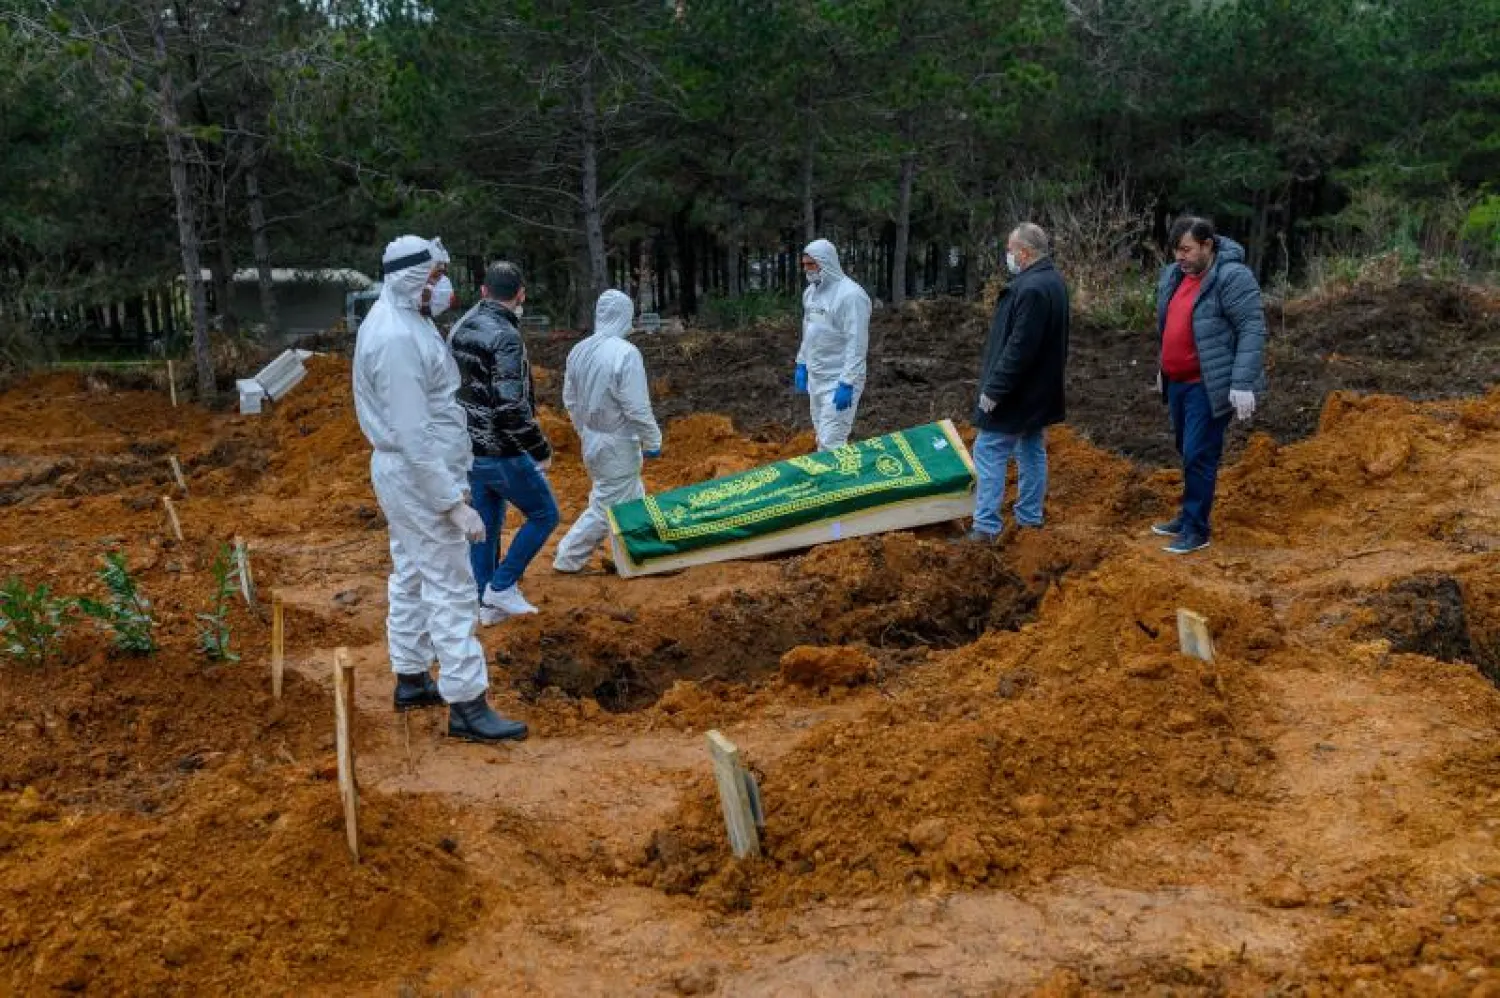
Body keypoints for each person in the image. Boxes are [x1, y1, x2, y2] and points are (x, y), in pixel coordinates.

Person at [352, 235, 527, 743]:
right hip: (418, 477)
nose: (443, 285)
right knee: (451, 584)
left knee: (410, 572)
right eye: (435, 275)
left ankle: (410, 677)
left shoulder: (406, 322)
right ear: (412, 278)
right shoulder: (396, 339)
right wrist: (451, 503)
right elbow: (413, 434)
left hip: (410, 474)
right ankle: (467, 703)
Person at [448, 262, 560, 621]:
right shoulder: (506, 337)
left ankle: (485, 602)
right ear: (521, 294)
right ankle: (502, 586)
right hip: (500, 449)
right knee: (545, 514)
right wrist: (539, 449)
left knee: (486, 527)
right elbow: (510, 406)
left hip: (469, 449)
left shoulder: (462, 327)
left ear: (483, 292)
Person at [1151, 216, 1267, 554]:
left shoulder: (1232, 277)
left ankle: (1196, 530)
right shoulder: (1174, 275)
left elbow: (1252, 328)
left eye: (1186, 250)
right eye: (1176, 251)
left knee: (1199, 454)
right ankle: (1188, 516)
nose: (1180, 257)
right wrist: (1164, 366)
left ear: (1207, 245)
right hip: (1177, 382)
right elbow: (1169, 324)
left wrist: (1242, 381)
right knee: (1186, 450)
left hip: (1209, 383)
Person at [968, 223, 1070, 542]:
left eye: (1010, 250)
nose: (1008, 257)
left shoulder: (1030, 289)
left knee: (989, 448)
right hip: (1040, 390)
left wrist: (995, 389)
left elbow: (1019, 347)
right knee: (1030, 448)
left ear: (1024, 253)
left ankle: (986, 527)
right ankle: (1029, 519)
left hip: (1017, 392)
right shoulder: (1053, 282)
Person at [553, 289, 663, 573]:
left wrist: (585, 431)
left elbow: (570, 399)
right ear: (625, 315)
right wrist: (652, 439)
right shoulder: (625, 353)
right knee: (607, 507)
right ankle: (568, 558)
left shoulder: (580, 350)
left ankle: (636, 553)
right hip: (618, 440)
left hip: (593, 438)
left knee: (632, 497)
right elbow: (637, 406)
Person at [794, 238, 871, 451]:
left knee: (831, 443)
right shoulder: (811, 293)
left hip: (839, 380)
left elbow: (857, 343)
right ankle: (832, 480)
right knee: (822, 436)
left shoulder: (851, 296)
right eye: (804, 265)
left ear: (825, 262)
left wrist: (847, 382)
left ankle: (837, 483)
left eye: (811, 265)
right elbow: (808, 331)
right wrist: (802, 363)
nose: (807, 270)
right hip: (817, 376)